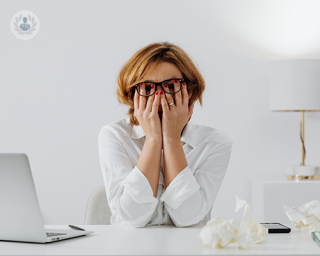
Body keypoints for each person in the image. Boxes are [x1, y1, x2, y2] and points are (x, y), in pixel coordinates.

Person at [98, 42, 233, 228]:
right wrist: (154, 139)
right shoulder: (114, 136)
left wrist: (171, 138)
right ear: (133, 93)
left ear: (189, 91)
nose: (159, 98)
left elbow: (187, 217)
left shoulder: (215, 144)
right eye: (147, 87)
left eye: (171, 86)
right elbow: (132, 217)